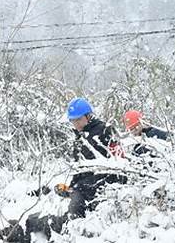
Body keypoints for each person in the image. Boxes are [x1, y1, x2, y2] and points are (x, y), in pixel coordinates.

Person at [24, 98, 127, 241]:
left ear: (88, 116)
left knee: (73, 218)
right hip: (84, 187)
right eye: (72, 121)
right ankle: (31, 224)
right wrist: (70, 187)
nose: (75, 124)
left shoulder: (105, 130)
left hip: (104, 184)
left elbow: (120, 163)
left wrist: (80, 187)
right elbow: (80, 169)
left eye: (78, 120)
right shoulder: (79, 137)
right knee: (65, 211)